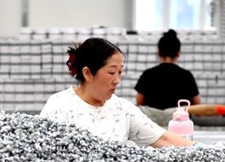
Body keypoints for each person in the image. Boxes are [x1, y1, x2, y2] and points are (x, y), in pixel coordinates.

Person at [40, 37, 194, 148]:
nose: (117, 80)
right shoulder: (60, 105)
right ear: (87, 73)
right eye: (111, 72)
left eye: (120, 72)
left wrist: (206, 150)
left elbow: (164, 139)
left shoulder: (122, 109)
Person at [134, 29, 200, 109]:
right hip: (179, 121)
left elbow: (139, 104)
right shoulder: (186, 76)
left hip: (152, 121)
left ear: (159, 53)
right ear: (178, 53)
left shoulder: (147, 75)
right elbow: (197, 105)